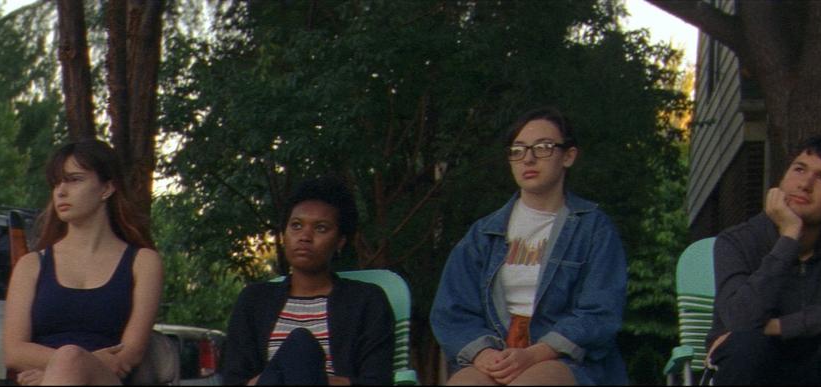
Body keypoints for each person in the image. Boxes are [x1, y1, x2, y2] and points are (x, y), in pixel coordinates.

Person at [430, 107, 628, 385]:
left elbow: (600, 311)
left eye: (544, 147)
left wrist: (536, 354)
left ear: (568, 156)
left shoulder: (593, 228)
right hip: (495, 354)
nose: (529, 158)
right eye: (518, 150)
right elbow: (452, 310)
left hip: (564, 359)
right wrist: (483, 353)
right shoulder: (483, 234)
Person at [706, 135, 821, 384]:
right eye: (799, 169)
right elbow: (740, 319)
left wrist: (779, 326)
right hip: (757, 364)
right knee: (745, 342)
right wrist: (789, 238)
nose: (805, 184)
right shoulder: (737, 241)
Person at [3, 140, 163, 385]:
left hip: (105, 380)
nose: (61, 192)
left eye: (74, 179)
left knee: (70, 357)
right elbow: (13, 352)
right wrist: (67, 366)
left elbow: (130, 352)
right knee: (69, 357)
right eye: (56, 183)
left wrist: (66, 367)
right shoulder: (32, 264)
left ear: (107, 188)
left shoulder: (143, 262)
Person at [222, 176, 395, 385]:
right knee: (298, 347)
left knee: (301, 345)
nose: (305, 236)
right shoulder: (254, 300)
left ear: (340, 241)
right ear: (284, 234)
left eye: (320, 228)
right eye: (296, 225)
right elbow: (234, 379)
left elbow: (377, 381)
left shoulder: (366, 301)